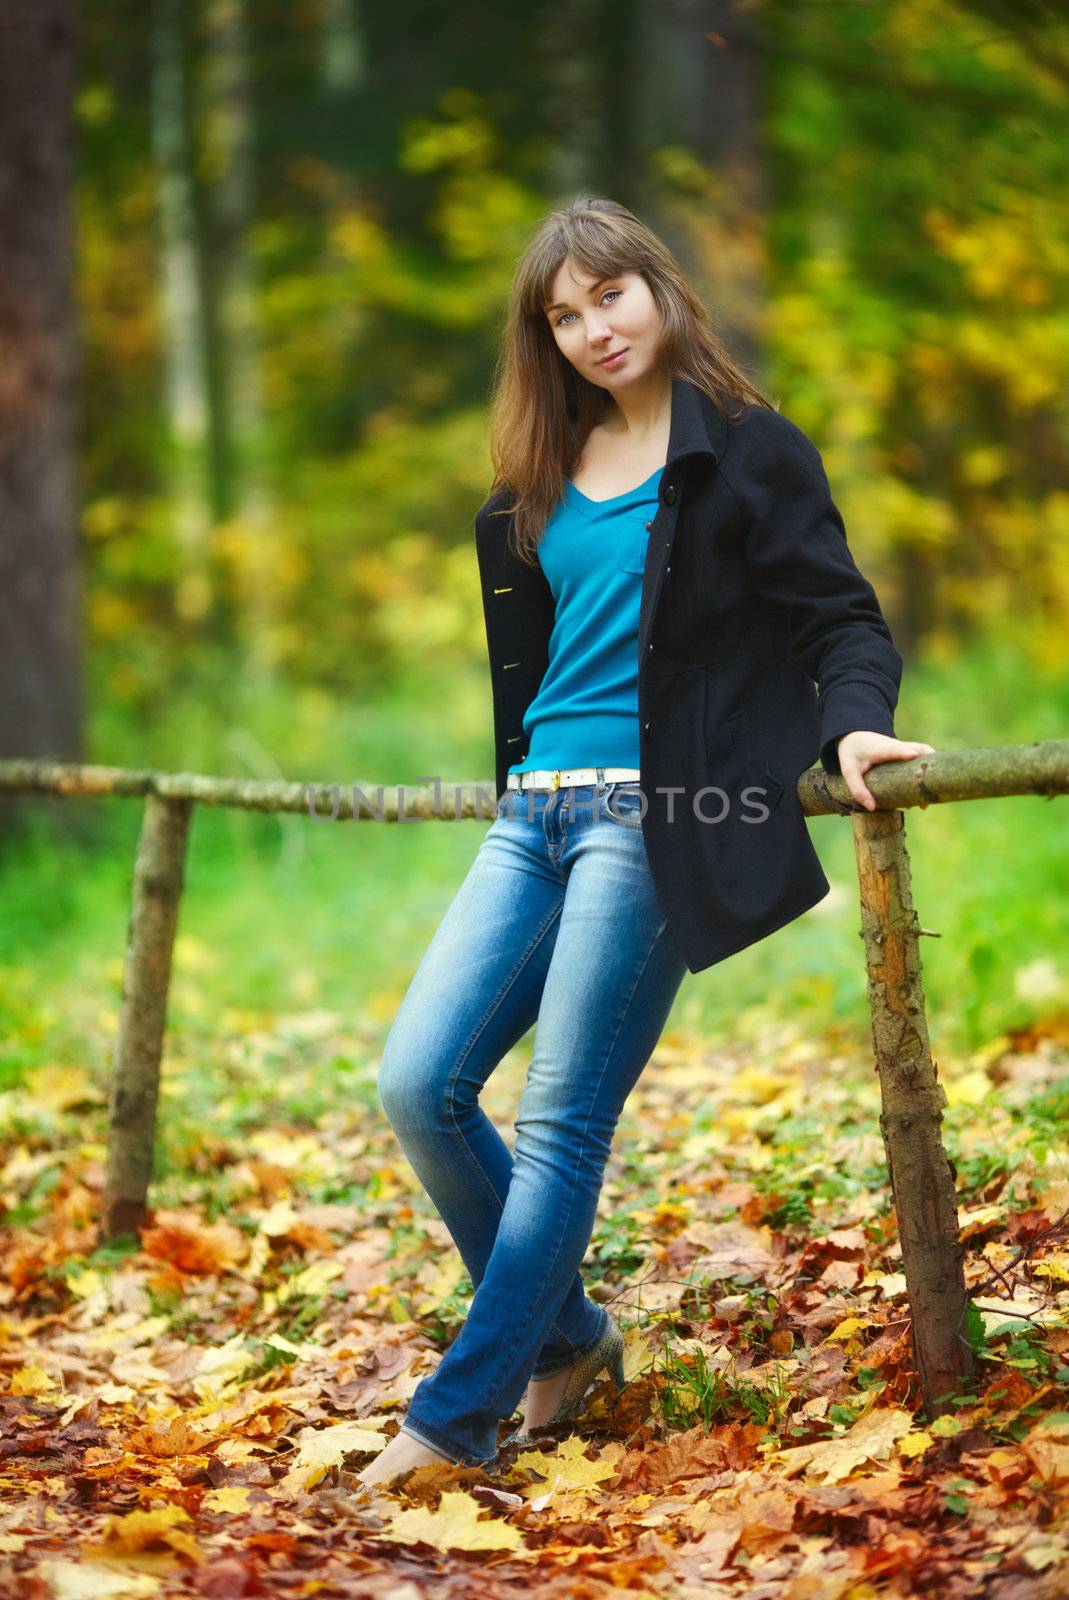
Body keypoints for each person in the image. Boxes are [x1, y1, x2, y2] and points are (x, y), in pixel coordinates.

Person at [356, 197, 934, 1484]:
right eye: (561, 315)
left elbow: (843, 621)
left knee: (562, 1117)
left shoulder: (748, 450)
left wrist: (852, 729)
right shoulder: (544, 470)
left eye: (607, 294)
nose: (590, 328)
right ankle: (568, 1339)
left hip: (658, 816)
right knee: (418, 1083)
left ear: (659, 290)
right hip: (533, 815)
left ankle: (455, 1418)